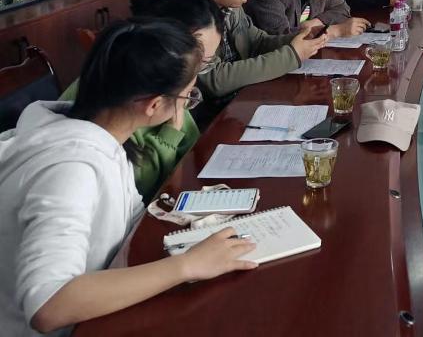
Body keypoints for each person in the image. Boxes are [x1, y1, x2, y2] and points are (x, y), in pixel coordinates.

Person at [0, 19, 257, 336]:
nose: (188, 105)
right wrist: (187, 265)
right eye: (188, 96)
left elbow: (133, 220)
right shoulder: (71, 169)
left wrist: (200, 220)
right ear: (154, 105)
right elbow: (48, 305)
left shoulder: (104, 136)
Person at [58, 0, 222, 201]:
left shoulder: (165, 81)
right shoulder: (127, 92)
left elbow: (190, 149)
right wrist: (171, 133)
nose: (196, 72)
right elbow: (134, 186)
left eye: (205, 62)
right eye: (200, 60)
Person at [177, 0, 327, 106]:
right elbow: (213, 80)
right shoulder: (182, 14)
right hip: (210, 112)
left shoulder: (228, 1)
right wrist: (292, 55)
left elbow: (256, 42)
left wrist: (297, 39)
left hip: (241, 97)